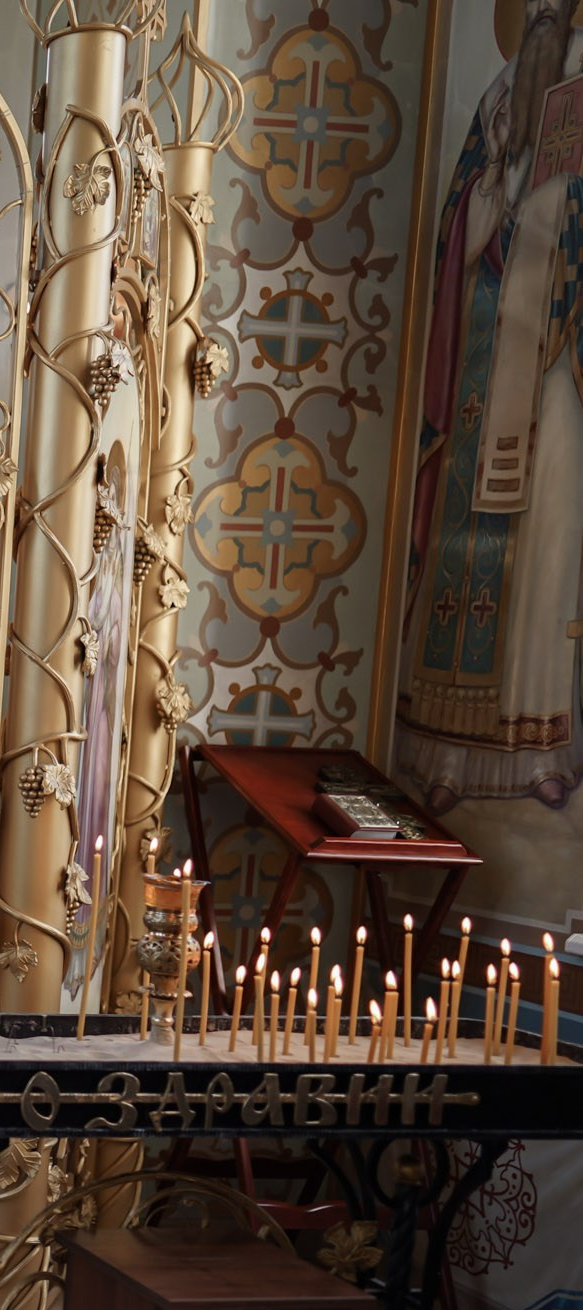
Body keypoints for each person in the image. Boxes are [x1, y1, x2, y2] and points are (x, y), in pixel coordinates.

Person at [397, 8, 583, 808]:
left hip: (558, 362)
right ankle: (442, 752)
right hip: (484, 352)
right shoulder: (500, 98)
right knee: (463, 547)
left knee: (547, 551)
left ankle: (536, 746)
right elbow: (453, 229)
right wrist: (494, 187)